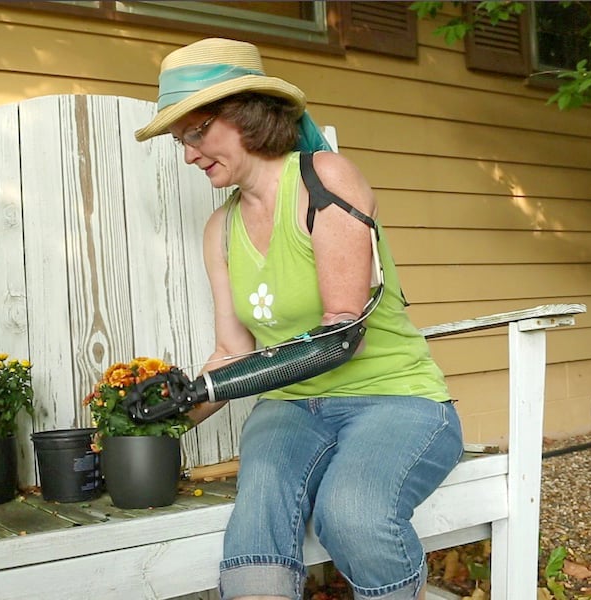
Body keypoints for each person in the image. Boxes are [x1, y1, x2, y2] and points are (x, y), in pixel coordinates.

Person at [134, 38, 463, 600]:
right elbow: (231, 354)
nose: (188, 153)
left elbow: (340, 336)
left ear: (246, 115)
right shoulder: (221, 229)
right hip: (290, 410)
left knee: (352, 515)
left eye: (195, 132)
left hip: (395, 399)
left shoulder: (324, 179)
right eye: (179, 141)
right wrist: (161, 415)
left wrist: (205, 388)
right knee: (254, 530)